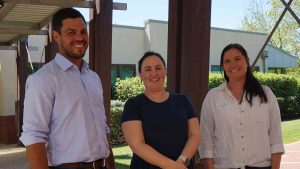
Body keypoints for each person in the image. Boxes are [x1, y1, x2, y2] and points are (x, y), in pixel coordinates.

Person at [20, 8, 111, 169]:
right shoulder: (43, 79)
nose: (79, 38)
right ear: (56, 36)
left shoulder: (94, 78)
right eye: (71, 32)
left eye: (83, 31)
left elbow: (103, 128)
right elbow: (34, 136)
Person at [199, 43, 285, 169]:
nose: (232, 64)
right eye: (227, 61)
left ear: (247, 61)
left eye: (237, 59)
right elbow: (206, 141)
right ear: (223, 66)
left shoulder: (266, 94)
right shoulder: (212, 97)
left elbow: (275, 137)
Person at [121, 51, 201, 169]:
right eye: (148, 69)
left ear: (165, 71)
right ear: (141, 75)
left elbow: (195, 135)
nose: (154, 73)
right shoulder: (133, 105)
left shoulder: (183, 101)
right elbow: (137, 145)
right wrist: (173, 167)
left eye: (158, 68)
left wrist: (181, 161)